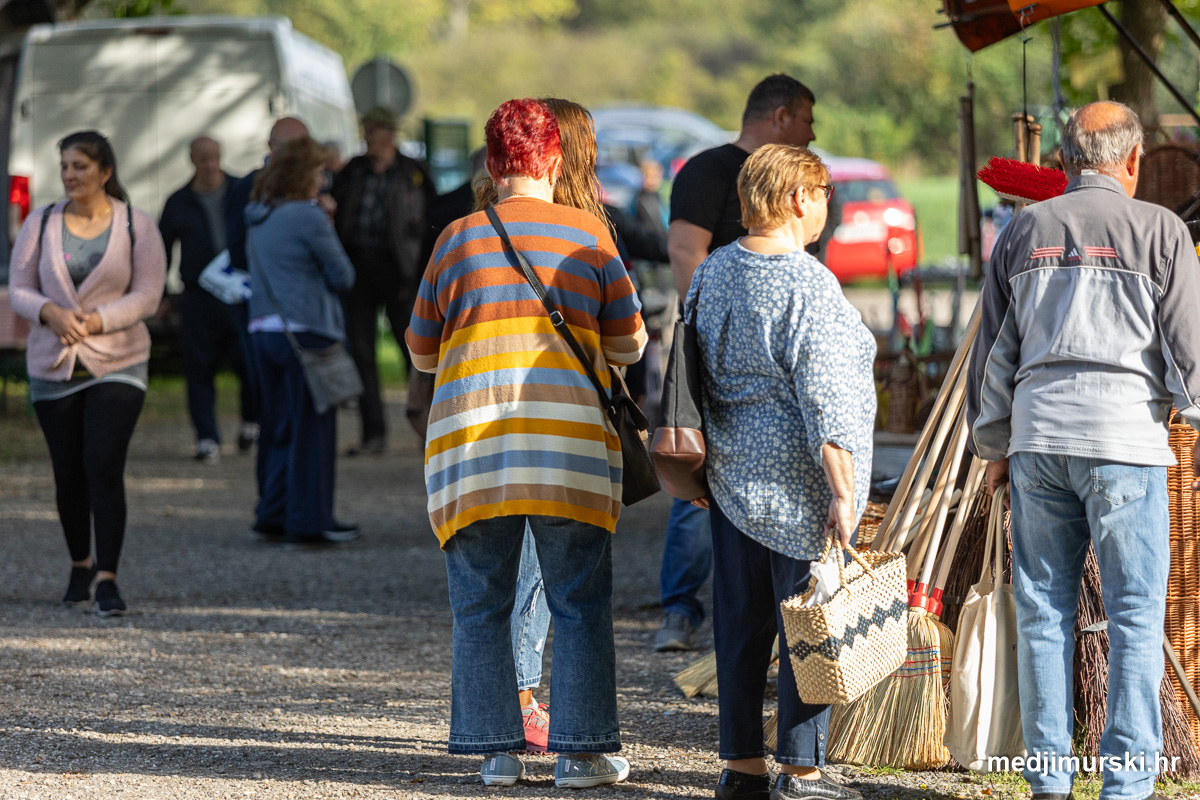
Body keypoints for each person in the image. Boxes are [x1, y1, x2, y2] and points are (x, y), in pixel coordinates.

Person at [406, 98, 645, 789]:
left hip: (471, 456)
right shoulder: (588, 236)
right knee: (579, 604)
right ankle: (581, 755)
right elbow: (631, 344)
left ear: (491, 164)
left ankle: (496, 754)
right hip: (570, 454)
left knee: (480, 606)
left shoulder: (456, 240)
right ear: (555, 160)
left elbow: (421, 353)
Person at [966, 101, 1200, 800]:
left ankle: (1049, 781)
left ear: (1065, 162)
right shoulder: (1160, 230)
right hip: (1126, 445)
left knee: (1043, 614)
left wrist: (994, 444)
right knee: (1134, 618)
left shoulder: (1023, 230)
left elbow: (992, 352)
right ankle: (1125, 785)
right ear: (1133, 160)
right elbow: (1188, 353)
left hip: (1038, 442)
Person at [692, 143, 872, 800]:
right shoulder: (807, 282)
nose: (826, 207)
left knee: (739, 627)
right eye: (823, 195)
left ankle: (740, 768)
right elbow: (827, 397)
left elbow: (691, 370)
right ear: (799, 198)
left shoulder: (713, 270)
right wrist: (844, 492)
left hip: (730, 477)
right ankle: (801, 771)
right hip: (799, 484)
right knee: (809, 627)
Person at [656, 73, 818, 652]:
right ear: (780, 116)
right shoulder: (708, 170)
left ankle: (768, 625)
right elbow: (685, 251)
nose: (812, 132)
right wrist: (711, 327)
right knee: (699, 465)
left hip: (775, 361)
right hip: (715, 349)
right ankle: (679, 609)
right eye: (806, 119)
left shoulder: (796, 179)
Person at [9, 130, 167, 616]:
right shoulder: (41, 222)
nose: (70, 175)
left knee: (103, 462)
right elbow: (19, 287)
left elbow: (148, 293)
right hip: (53, 363)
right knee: (68, 472)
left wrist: (98, 321)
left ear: (105, 171)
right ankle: (80, 563)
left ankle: (107, 577)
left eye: (79, 166)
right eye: (64, 166)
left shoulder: (136, 224)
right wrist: (50, 313)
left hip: (117, 360)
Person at [244, 136, 359, 547]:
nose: (322, 179)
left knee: (279, 426)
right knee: (313, 430)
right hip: (305, 331)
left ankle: (272, 512)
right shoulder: (308, 217)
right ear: (300, 175)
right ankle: (308, 520)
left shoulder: (258, 215)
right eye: (317, 171)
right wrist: (327, 223)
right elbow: (343, 275)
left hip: (263, 329)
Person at [332, 105, 435, 456]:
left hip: (399, 271)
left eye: (371, 132)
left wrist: (419, 272)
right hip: (358, 267)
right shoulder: (353, 170)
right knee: (361, 352)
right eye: (365, 131)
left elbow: (430, 221)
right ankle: (373, 434)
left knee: (414, 351)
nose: (366, 138)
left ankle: (426, 430)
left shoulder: (413, 171)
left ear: (388, 134)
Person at [159, 136, 257, 463]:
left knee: (248, 362)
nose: (211, 165)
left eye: (215, 157)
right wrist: (160, 294)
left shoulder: (241, 190)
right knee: (199, 368)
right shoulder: (179, 201)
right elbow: (161, 251)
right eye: (203, 158)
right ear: (192, 160)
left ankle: (250, 422)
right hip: (198, 297)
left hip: (240, 293)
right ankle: (206, 437)